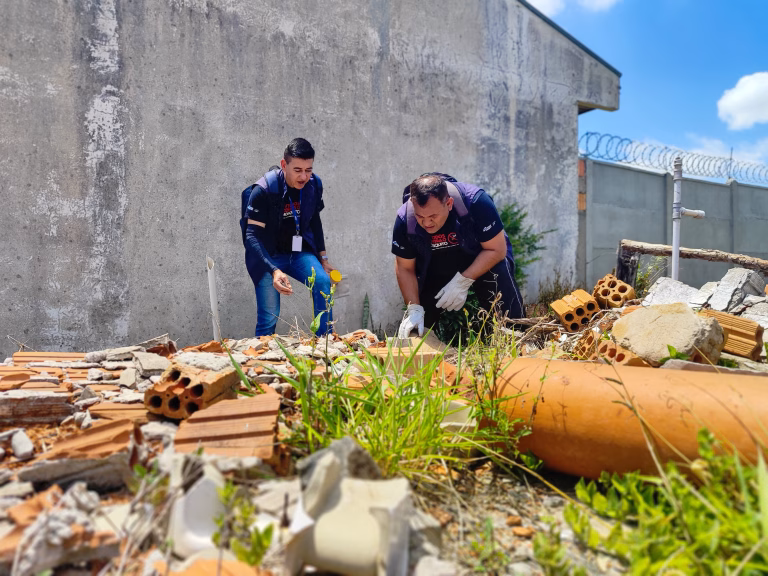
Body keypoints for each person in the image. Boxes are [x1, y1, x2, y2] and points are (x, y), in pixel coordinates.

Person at [391, 173, 525, 338]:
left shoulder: (477, 203)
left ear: (449, 203)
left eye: (433, 216)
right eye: (420, 216)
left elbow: (496, 250)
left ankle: (515, 341)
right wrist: (414, 309)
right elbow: (405, 268)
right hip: (434, 264)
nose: (426, 223)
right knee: (418, 324)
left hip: (480, 257)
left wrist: (463, 281)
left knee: (499, 280)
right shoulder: (405, 220)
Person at [242, 138, 334, 336]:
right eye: (298, 170)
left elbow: (314, 221)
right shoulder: (263, 190)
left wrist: (323, 258)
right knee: (269, 317)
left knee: (323, 283)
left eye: (308, 170)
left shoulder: (314, 185)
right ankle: (262, 361)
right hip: (269, 256)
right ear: (284, 165)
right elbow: (251, 236)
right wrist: (274, 271)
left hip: (298, 252)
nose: (304, 177)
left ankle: (327, 345)